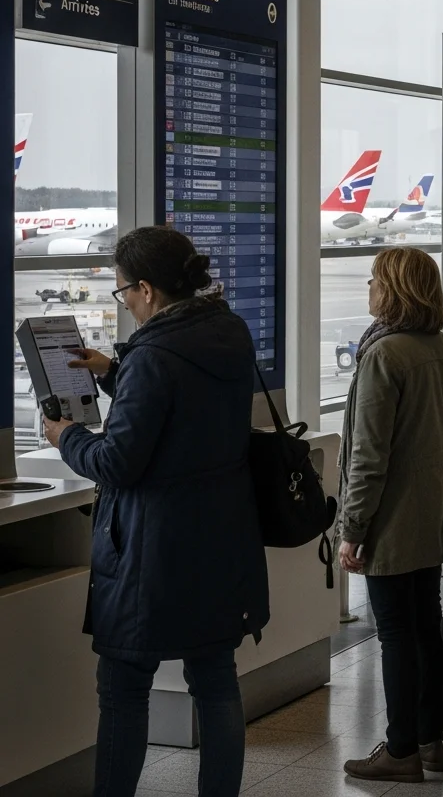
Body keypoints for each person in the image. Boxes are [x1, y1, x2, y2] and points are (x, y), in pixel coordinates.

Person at [42, 226, 268, 797]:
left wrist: (67, 435)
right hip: (222, 538)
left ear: (146, 290)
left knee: (122, 689)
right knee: (216, 682)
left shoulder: (152, 356)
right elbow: (184, 404)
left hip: (153, 551)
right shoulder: (228, 332)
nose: (125, 303)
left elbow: (118, 461)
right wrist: (113, 371)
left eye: (123, 293)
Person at [338, 247, 443, 785]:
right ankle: (431, 742)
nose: (367, 288)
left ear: (390, 291)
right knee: (426, 627)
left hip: (393, 520)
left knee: (394, 633)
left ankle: (400, 750)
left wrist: (352, 531)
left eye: (373, 280)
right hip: (436, 511)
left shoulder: (383, 356)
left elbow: (369, 457)